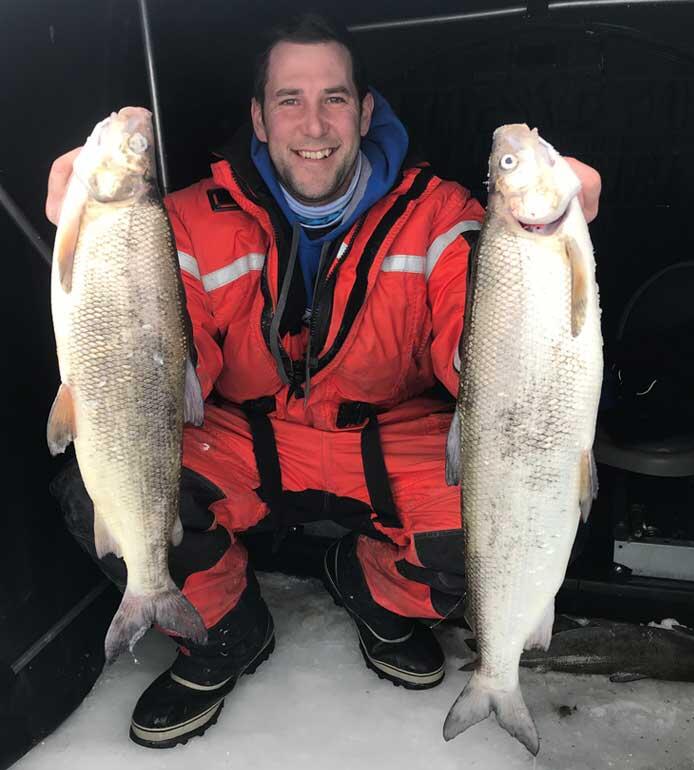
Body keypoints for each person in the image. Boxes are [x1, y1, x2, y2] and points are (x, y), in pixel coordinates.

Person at [46, 13, 602, 750]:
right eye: (289, 100)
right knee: (108, 483)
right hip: (246, 433)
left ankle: (370, 586)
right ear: (258, 115)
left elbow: (476, 364)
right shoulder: (179, 221)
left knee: (496, 527)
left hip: (384, 437)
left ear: (366, 111)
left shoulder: (443, 216)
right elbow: (157, 377)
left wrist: (551, 261)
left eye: (335, 98)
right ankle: (225, 631)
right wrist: (88, 248)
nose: (314, 123)